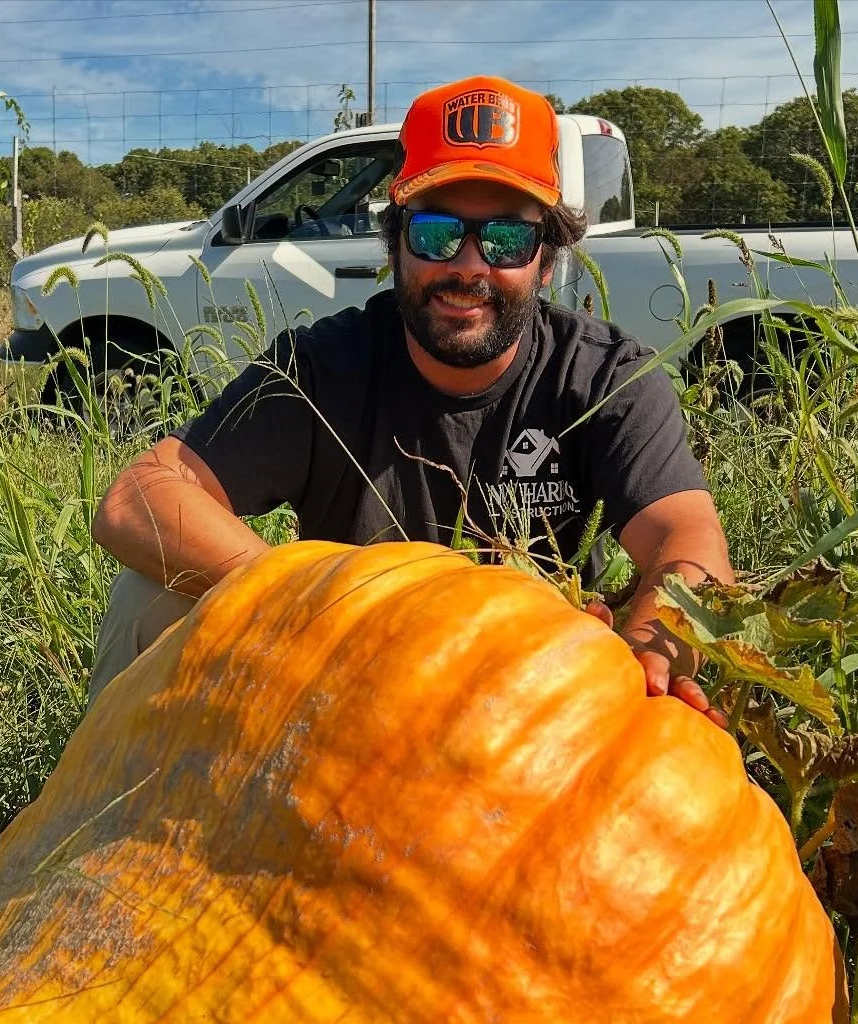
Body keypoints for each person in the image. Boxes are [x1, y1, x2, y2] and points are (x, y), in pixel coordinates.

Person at [89, 75, 732, 722]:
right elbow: (136, 498)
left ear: (546, 260)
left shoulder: (603, 376)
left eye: (507, 239)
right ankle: (112, 811)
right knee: (148, 595)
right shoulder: (318, 369)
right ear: (394, 243)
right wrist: (305, 603)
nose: (469, 266)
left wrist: (652, 655)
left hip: (539, 702)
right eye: (435, 232)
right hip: (349, 688)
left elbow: (688, 536)